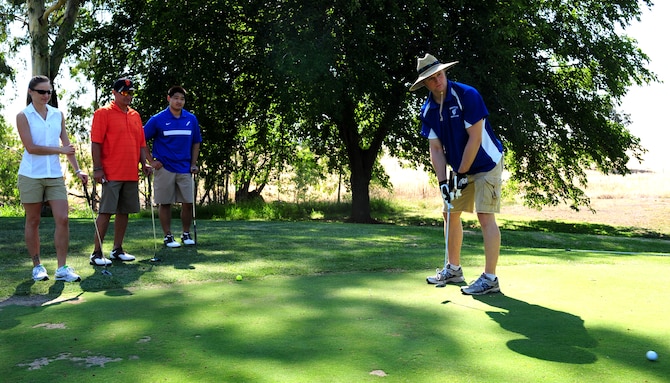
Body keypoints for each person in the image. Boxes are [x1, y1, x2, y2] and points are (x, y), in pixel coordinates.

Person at [410, 53, 504, 295]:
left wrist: (460, 173)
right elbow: (436, 148)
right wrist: (443, 181)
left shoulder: (467, 95)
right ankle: (453, 269)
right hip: (461, 167)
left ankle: (490, 278)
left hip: (486, 163)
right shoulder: (428, 110)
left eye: (439, 74)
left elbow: (474, 139)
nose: (437, 80)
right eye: (431, 79)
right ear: (425, 84)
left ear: (445, 73)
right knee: (450, 212)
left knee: (485, 216)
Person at [16, 75, 89, 282]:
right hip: (31, 175)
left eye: (49, 92)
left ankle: (62, 268)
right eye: (42, 92)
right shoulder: (24, 116)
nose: (46, 95)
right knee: (33, 220)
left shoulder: (58, 114)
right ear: (31, 92)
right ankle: (37, 266)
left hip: (55, 175)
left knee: (63, 219)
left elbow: (68, 145)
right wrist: (60, 149)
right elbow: (31, 147)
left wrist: (77, 170)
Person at [90, 77, 152, 265]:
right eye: (125, 93)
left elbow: (141, 144)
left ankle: (117, 249)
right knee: (106, 212)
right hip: (110, 172)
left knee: (124, 212)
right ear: (114, 93)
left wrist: (144, 164)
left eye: (131, 93)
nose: (128, 96)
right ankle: (96, 253)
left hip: (130, 172)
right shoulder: (103, 113)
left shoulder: (135, 115)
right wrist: (98, 169)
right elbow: (96, 143)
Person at [143, 86, 202, 247]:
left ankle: (185, 233)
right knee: (165, 203)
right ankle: (168, 236)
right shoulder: (157, 119)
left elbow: (196, 142)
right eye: (176, 98)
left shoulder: (191, 119)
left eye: (182, 99)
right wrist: (150, 161)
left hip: (185, 167)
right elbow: (141, 140)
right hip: (165, 167)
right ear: (168, 99)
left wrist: (194, 164)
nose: (179, 101)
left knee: (188, 202)